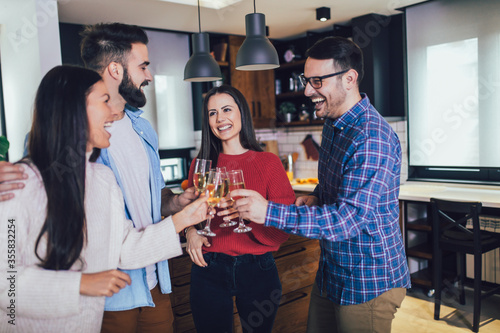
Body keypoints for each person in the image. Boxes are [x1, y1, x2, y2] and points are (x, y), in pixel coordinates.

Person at [0, 65, 208, 333]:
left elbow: (124, 249)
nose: (113, 112)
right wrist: (81, 284)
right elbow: (6, 286)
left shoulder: (103, 179)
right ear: (73, 108)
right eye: (104, 100)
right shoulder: (19, 185)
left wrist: (184, 219)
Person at [230, 36, 411, 333]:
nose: (306, 90)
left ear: (349, 79)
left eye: (316, 81)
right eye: (306, 80)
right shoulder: (334, 124)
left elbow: (348, 220)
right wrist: (316, 197)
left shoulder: (371, 137)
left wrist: (268, 212)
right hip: (332, 272)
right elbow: (335, 187)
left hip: (367, 280)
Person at [79, 23, 197, 333]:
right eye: (143, 66)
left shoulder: (143, 129)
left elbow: (156, 196)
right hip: (111, 292)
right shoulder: (78, 138)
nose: (149, 75)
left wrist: (176, 202)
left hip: (154, 281)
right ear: (115, 69)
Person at [185, 85, 296, 333]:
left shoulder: (268, 162)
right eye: (212, 113)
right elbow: (191, 215)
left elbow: (285, 226)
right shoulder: (200, 165)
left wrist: (250, 216)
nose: (220, 118)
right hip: (208, 268)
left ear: (241, 114)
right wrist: (191, 232)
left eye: (226, 109)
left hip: (258, 268)